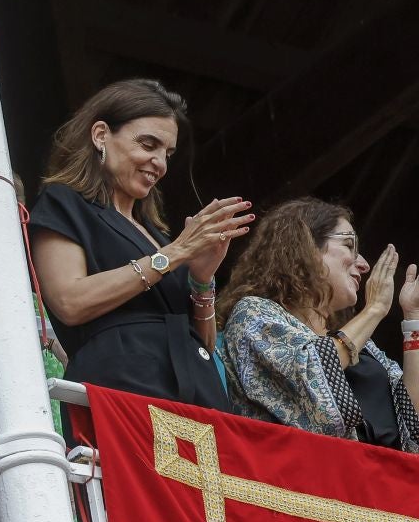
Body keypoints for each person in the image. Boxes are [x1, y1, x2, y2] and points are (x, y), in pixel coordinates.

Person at [28, 79, 252, 409]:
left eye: (167, 153)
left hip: (199, 397)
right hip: (120, 390)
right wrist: (173, 254)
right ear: (101, 134)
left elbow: (202, 345)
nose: (160, 163)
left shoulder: (157, 234)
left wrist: (201, 279)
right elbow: (68, 301)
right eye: (148, 145)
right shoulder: (64, 203)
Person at [219, 198, 419, 452]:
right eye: (349, 245)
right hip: (308, 485)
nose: (364, 264)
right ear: (306, 248)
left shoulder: (366, 348)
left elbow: (412, 424)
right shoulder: (255, 315)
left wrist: (413, 319)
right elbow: (313, 381)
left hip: (382, 486)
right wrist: (375, 309)